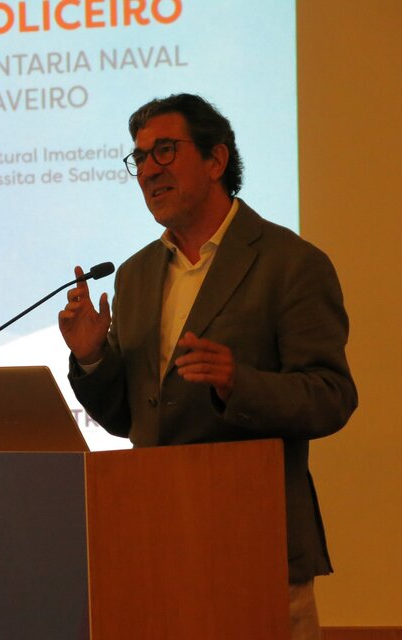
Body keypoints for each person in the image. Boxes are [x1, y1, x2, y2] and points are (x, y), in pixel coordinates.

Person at [58, 93, 357, 640]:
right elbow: (130, 418)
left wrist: (239, 383)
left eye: (165, 151)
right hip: (154, 546)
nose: (148, 170)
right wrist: (93, 357)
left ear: (216, 160)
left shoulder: (291, 263)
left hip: (256, 549)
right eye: (140, 157)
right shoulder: (135, 275)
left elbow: (331, 396)